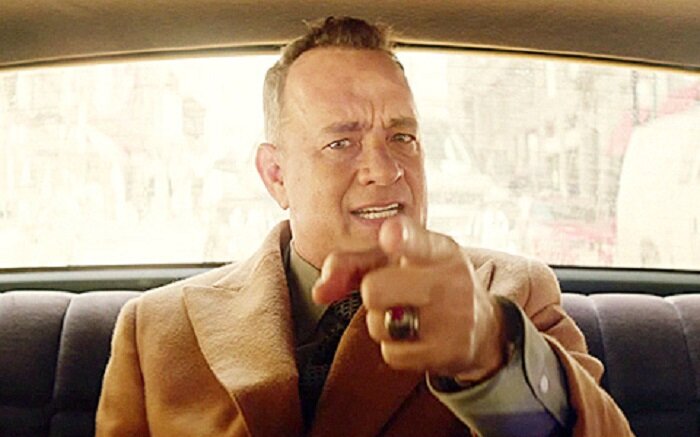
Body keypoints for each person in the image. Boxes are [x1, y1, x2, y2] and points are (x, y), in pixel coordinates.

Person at [96, 17, 633, 437]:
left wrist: (492, 356)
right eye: (341, 143)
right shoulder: (155, 328)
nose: (385, 169)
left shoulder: (508, 294)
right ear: (276, 175)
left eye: (402, 137)